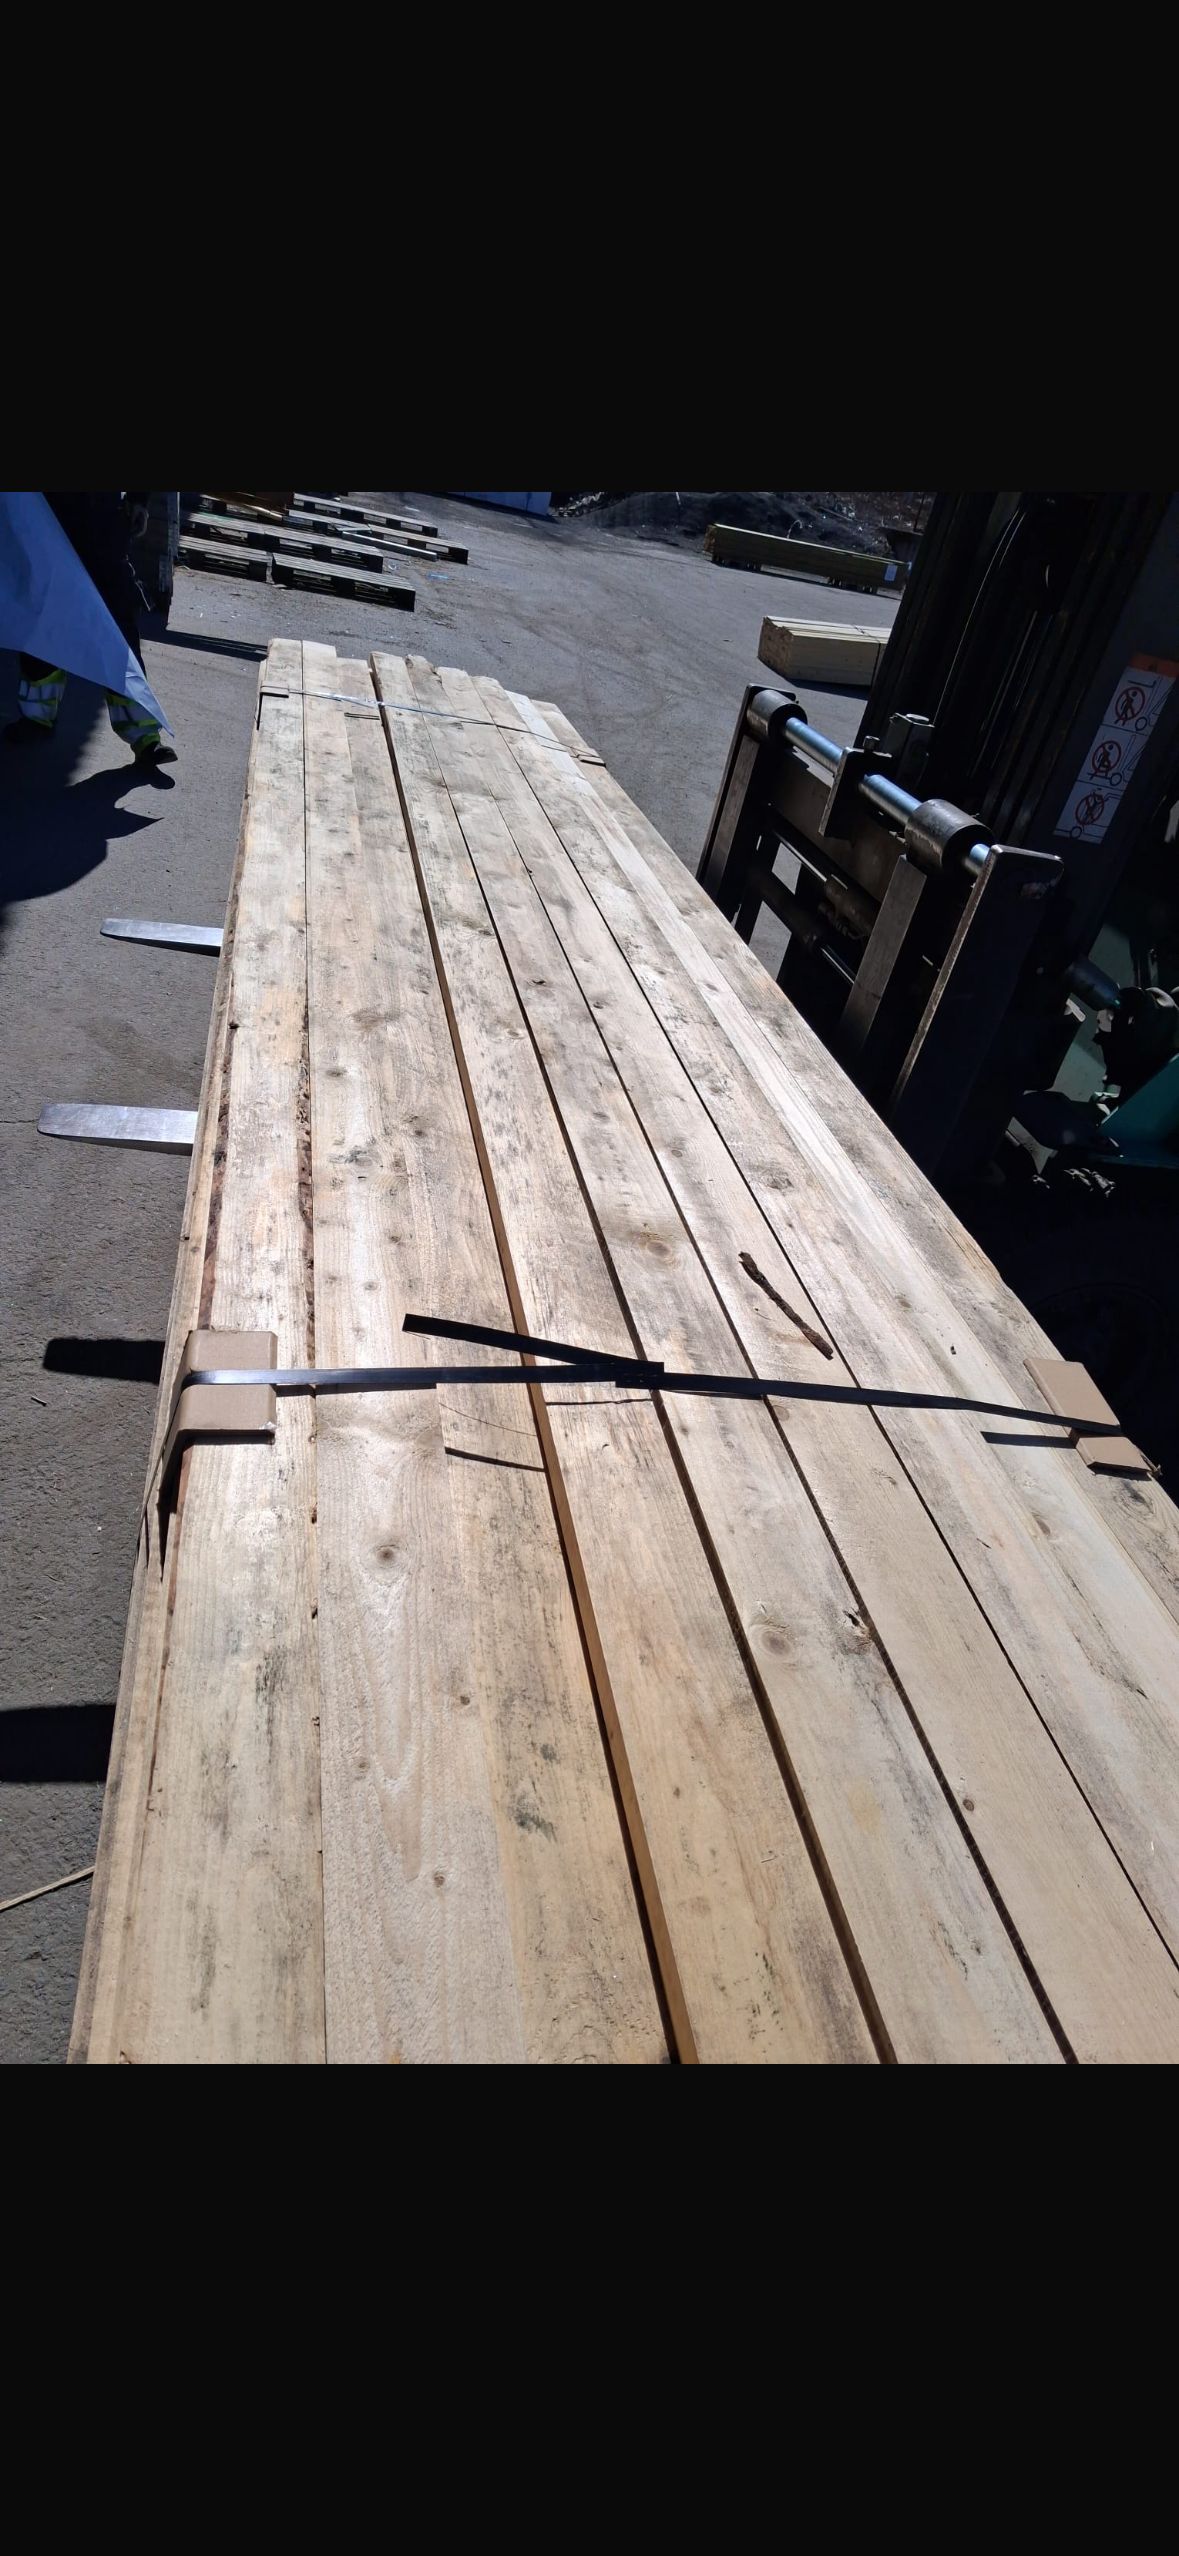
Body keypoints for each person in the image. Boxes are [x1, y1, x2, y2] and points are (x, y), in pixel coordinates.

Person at [6, 490, 175, 763]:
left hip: (101, 518)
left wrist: (139, 500)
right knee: (44, 613)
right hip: (48, 512)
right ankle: (36, 717)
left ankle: (144, 735)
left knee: (117, 624)